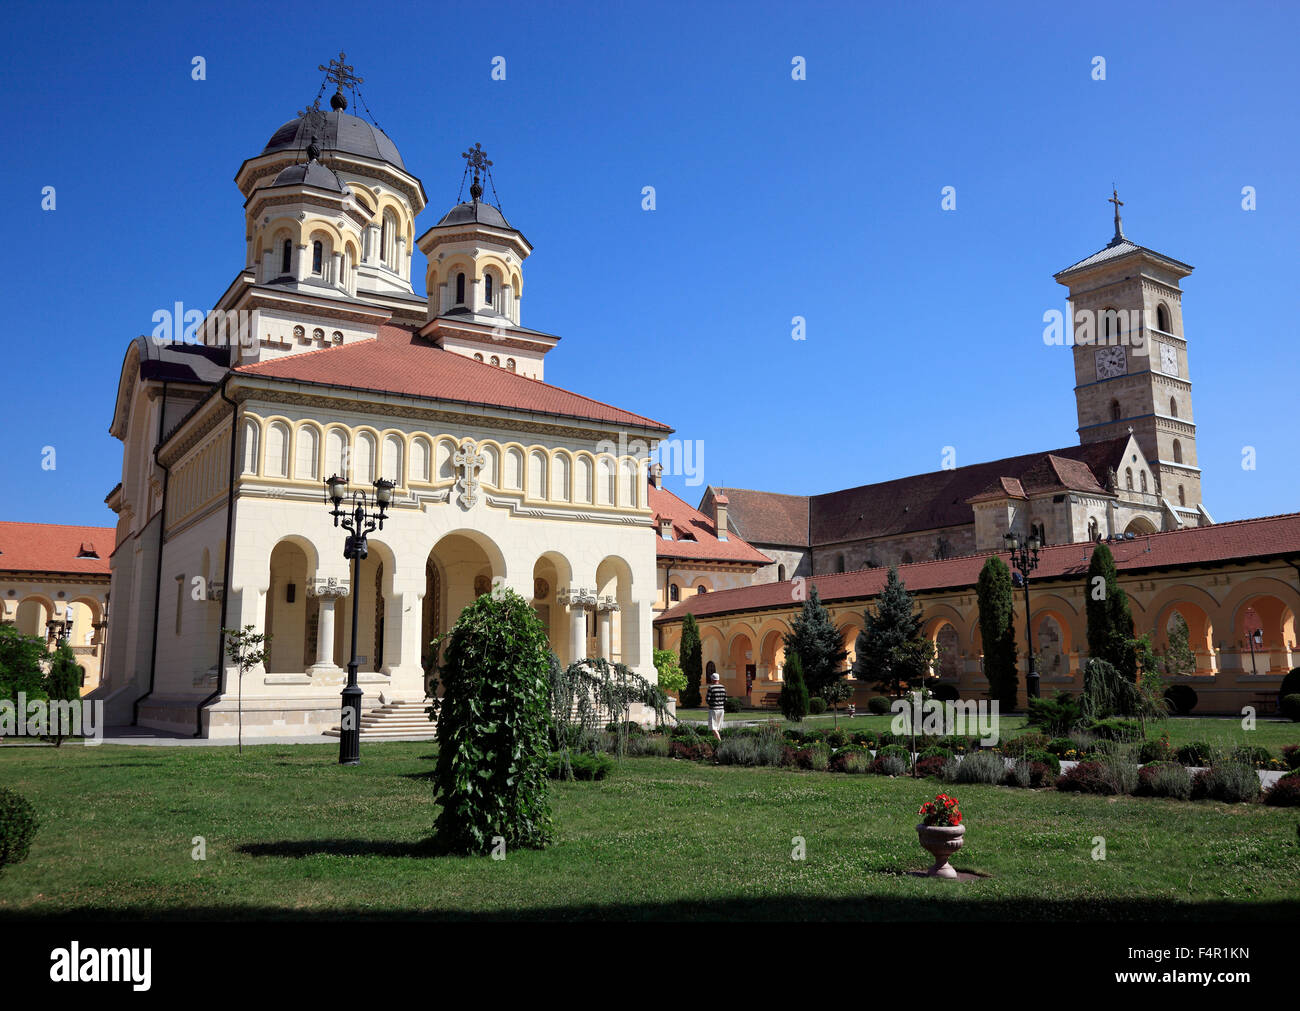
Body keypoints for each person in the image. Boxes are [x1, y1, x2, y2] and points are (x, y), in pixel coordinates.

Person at [706, 671, 727, 741]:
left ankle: (720, 742)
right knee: (717, 727)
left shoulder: (711, 687)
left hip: (713, 709)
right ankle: (717, 741)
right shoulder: (723, 687)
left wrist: (710, 704)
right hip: (721, 709)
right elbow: (725, 699)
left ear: (713, 679)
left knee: (713, 728)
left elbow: (707, 699)